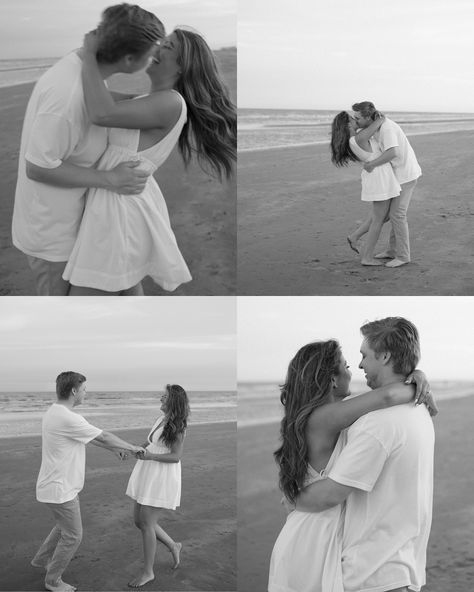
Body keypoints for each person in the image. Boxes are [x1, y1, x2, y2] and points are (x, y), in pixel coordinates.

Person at [62, 27, 237, 295]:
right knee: (125, 291)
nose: (158, 47)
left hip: (118, 209)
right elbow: (90, 99)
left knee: (86, 302)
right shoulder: (151, 100)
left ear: (182, 67)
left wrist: (89, 54)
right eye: (161, 42)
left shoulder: (170, 102)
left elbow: (100, 113)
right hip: (119, 201)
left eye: (169, 47)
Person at [12, 4, 164, 296]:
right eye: (152, 51)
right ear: (130, 59)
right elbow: (38, 167)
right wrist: (112, 179)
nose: (155, 57)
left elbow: (97, 100)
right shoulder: (66, 99)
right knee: (64, 325)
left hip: (76, 222)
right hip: (52, 235)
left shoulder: (82, 65)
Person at [268, 337, 435, 592]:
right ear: (332, 380)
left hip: (315, 531)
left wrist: (418, 373)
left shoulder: (332, 415)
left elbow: (381, 398)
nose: (353, 369)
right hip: (312, 538)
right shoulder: (324, 418)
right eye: (345, 366)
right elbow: (388, 395)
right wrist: (418, 386)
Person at [32, 372, 145, 592]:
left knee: (63, 527)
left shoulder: (55, 412)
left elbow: (90, 437)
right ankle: (52, 580)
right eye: (84, 389)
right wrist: (132, 448)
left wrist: (116, 450)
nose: (86, 392)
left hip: (53, 486)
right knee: (73, 535)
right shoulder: (68, 417)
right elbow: (103, 436)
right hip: (60, 490)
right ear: (74, 391)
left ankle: (41, 560)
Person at [125, 384, 190, 588]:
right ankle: (173, 544)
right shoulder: (160, 419)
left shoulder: (178, 425)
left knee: (146, 523)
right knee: (139, 521)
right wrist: (130, 449)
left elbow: (176, 456)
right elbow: (149, 442)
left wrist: (151, 456)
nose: (161, 399)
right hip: (148, 473)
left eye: (165, 396)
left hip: (162, 476)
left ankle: (148, 572)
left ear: (173, 401)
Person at [352, 101, 422, 267]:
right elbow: (359, 138)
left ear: (369, 117)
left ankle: (403, 256)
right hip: (396, 175)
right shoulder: (375, 126)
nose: (356, 122)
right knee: (391, 214)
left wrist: (372, 164)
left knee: (398, 215)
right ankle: (392, 251)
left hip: (406, 174)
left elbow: (393, 152)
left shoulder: (387, 128)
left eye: (358, 118)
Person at [330, 111, 401, 265]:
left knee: (384, 216)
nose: (356, 120)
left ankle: (354, 237)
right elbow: (379, 122)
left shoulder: (355, 138)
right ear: (347, 125)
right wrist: (380, 116)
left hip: (380, 175)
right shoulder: (358, 138)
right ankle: (367, 257)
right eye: (353, 119)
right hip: (378, 177)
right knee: (378, 220)